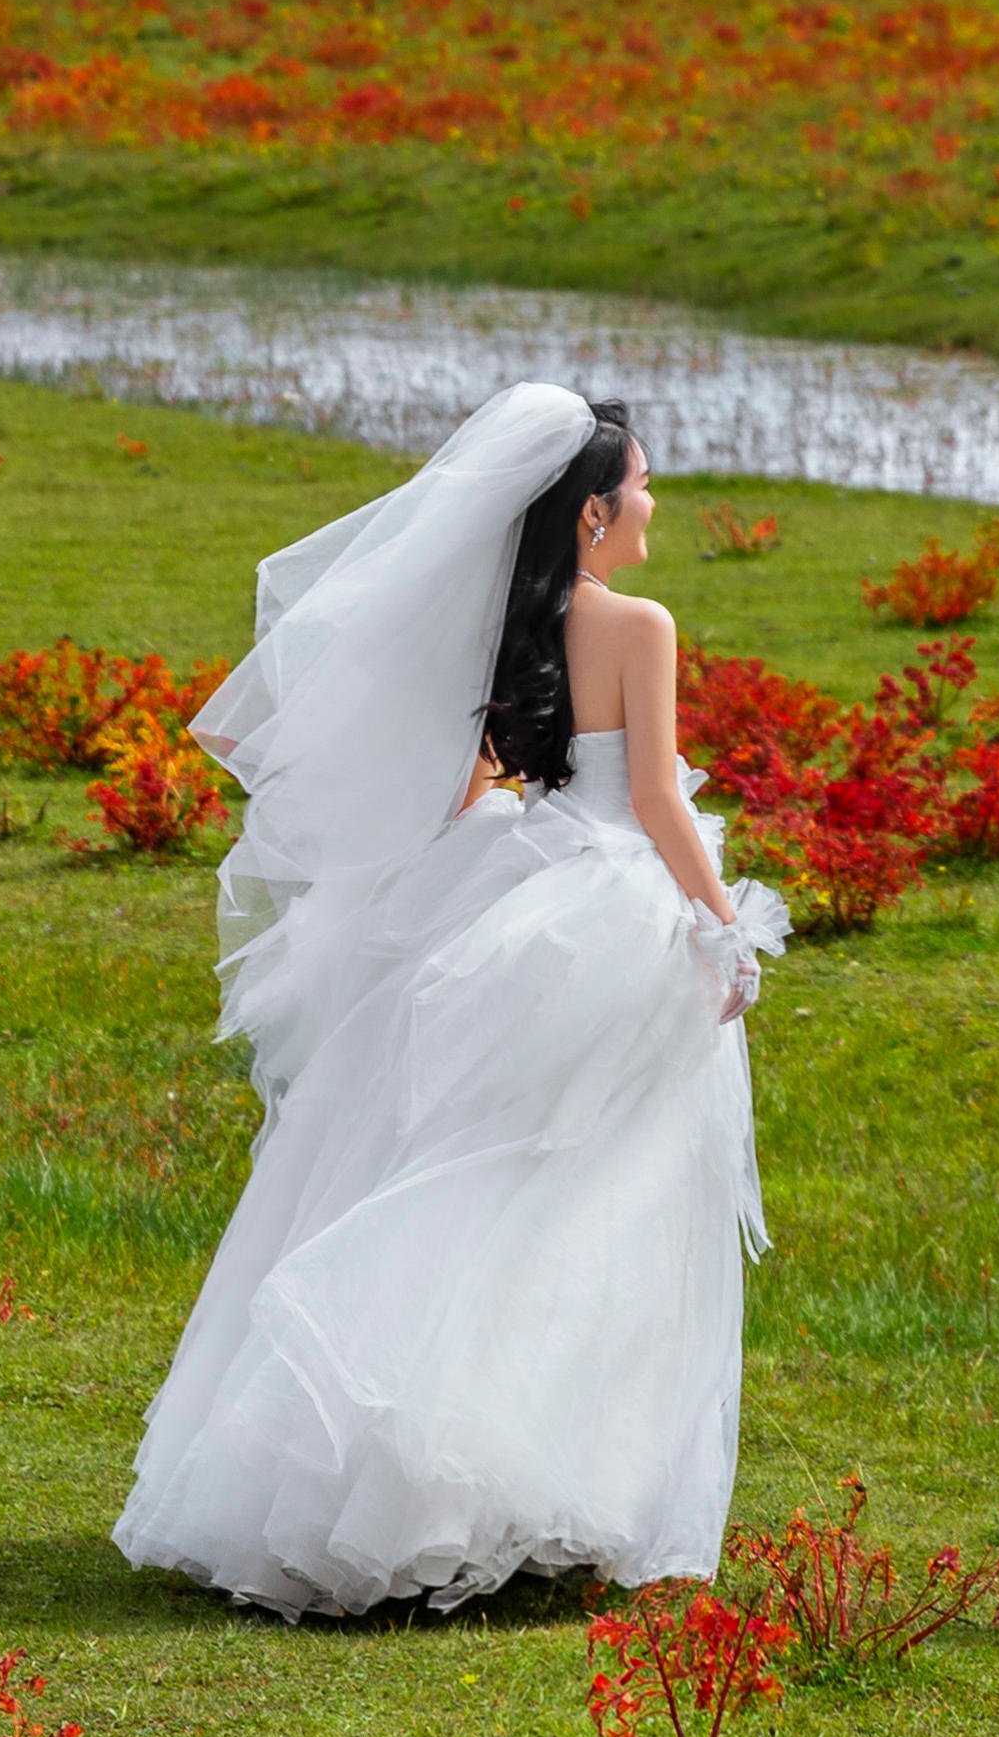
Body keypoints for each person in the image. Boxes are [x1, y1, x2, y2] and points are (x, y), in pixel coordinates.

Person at [115, 384, 784, 1618]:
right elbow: (654, 798)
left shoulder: (495, 624)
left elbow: (472, 780)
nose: (652, 501)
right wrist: (721, 927)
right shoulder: (641, 625)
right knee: (594, 1195)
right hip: (615, 913)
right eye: (638, 484)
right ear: (590, 513)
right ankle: (526, 1480)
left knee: (495, 1175)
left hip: (519, 888)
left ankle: (437, 1479)